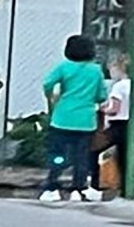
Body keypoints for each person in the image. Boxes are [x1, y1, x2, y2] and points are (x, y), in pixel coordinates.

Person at [40, 35, 107, 203]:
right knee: (81, 157)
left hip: (62, 117)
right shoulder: (96, 70)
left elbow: (47, 83)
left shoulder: (64, 67)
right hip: (86, 120)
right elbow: (101, 95)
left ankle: (52, 186)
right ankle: (77, 189)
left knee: (58, 154)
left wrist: (52, 97)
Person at [97, 54, 131, 193]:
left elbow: (114, 109)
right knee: (125, 156)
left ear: (118, 69)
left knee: (94, 150)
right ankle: (125, 186)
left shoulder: (118, 86)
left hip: (117, 123)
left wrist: (103, 109)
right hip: (130, 123)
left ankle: (96, 182)